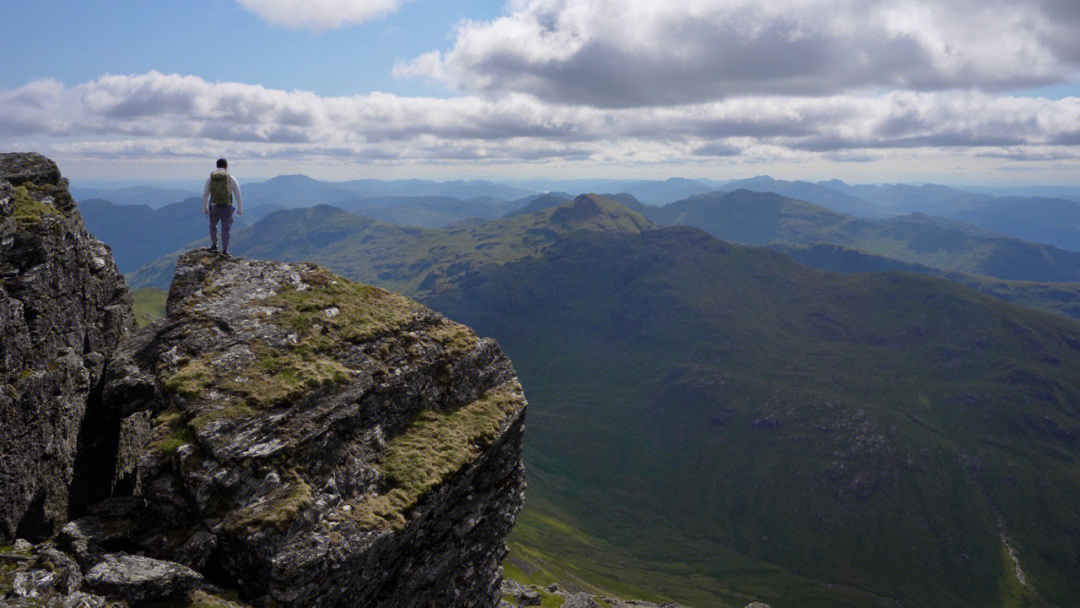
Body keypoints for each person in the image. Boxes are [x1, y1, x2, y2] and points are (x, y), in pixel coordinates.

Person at [201, 158, 243, 257]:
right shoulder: (231, 178)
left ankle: (214, 245)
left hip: (214, 206)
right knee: (226, 228)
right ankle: (225, 250)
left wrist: (205, 207)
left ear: (216, 166)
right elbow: (238, 194)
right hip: (227, 206)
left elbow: (205, 194)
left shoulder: (210, 178)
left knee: (212, 225)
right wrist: (240, 208)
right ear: (226, 166)